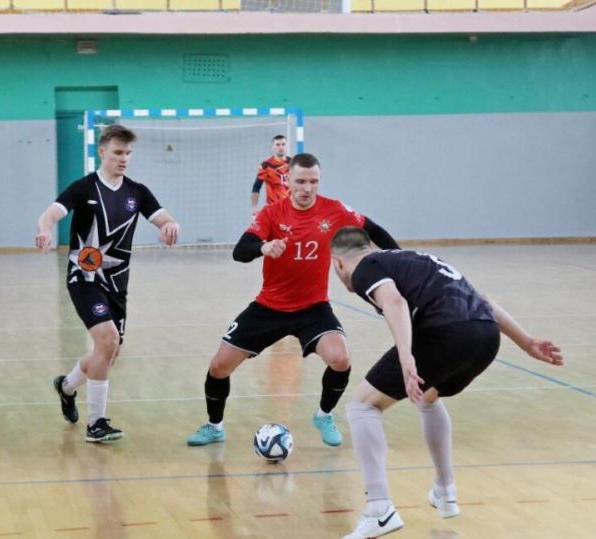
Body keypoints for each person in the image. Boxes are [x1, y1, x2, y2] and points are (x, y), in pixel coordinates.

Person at [328, 227, 563, 539]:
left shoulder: (364, 268)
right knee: (428, 397)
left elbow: (394, 301)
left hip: (446, 334)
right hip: (485, 336)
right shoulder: (411, 258)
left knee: (362, 406)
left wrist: (406, 356)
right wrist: (526, 341)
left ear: (338, 262)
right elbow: (483, 300)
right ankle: (445, 490)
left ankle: (379, 509)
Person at [186, 153, 400, 449]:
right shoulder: (272, 213)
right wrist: (264, 247)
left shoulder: (335, 210)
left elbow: (373, 229)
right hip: (269, 307)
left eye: (313, 182)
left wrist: (399, 261)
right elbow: (240, 251)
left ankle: (324, 416)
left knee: (340, 359)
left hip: (313, 307)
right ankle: (214, 427)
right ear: (289, 181)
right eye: (300, 181)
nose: (307, 188)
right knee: (219, 367)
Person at [36, 124, 181, 443]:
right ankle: (96, 423)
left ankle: (67, 386)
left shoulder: (137, 192)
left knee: (110, 352)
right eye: (117, 152)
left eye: (128, 153)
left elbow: (164, 218)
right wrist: (45, 230)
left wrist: (170, 226)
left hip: (117, 283)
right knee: (106, 340)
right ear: (102, 152)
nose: (123, 158)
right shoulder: (83, 188)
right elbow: (50, 214)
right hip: (84, 278)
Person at [250, 134, 290, 215]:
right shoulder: (266, 165)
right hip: (274, 208)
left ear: (287, 145)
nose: (281, 147)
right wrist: (254, 208)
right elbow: (256, 187)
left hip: (291, 207)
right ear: (273, 147)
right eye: (278, 145)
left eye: (283, 144)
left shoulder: (293, 163)